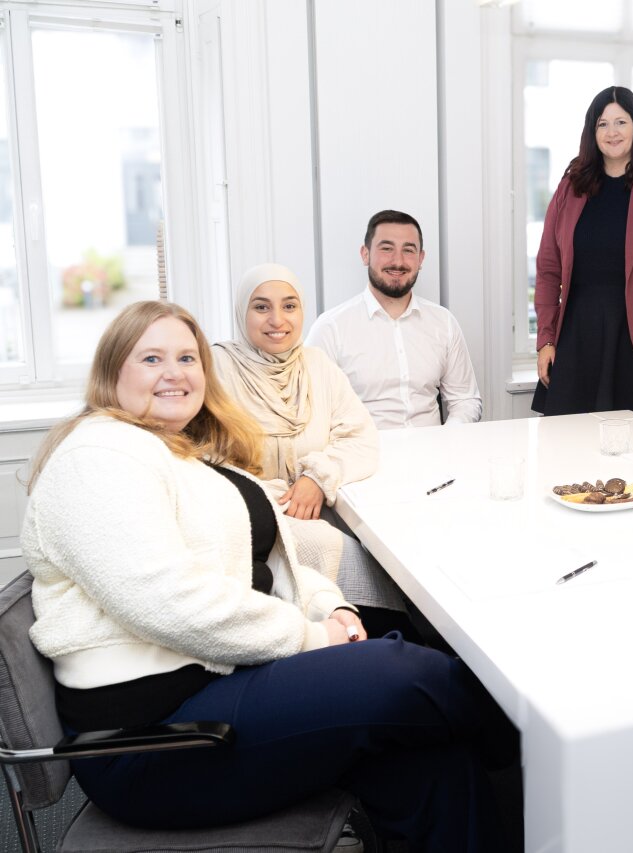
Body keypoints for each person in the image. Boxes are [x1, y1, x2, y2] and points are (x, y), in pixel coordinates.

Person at [22, 301, 516, 851]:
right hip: (155, 742)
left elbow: (279, 557)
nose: (175, 372)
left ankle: (529, 748)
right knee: (405, 670)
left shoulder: (186, 457)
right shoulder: (98, 454)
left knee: (434, 765)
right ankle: (537, 733)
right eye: (151, 358)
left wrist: (331, 608)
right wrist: (313, 638)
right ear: (112, 373)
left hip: (221, 687)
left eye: (188, 357)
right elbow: (167, 600)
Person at [213, 263, 414, 639]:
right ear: (242, 312)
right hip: (253, 521)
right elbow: (209, 463)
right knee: (338, 555)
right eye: (261, 307)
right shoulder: (217, 370)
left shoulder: (317, 365)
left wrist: (317, 477)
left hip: (317, 508)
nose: (278, 320)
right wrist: (276, 500)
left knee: (395, 548)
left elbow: (361, 438)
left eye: (289, 306)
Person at [532, 85, 633, 421]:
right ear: (592, 132)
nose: (612, 132)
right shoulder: (569, 188)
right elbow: (548, 269)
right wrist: (546, 340)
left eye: (620, 122)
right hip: (578, 336)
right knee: (569, 448)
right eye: (602, 124)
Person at [307, 209, 483, 428]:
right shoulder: (330, 328)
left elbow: (465, 400)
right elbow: (311, 413)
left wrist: (447, 438)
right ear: (365, 254)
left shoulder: (443, 322)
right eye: (387, 248)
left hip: (432, 455)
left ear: (421, 259)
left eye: (408, 250)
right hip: (363, 456)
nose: (398, 261)